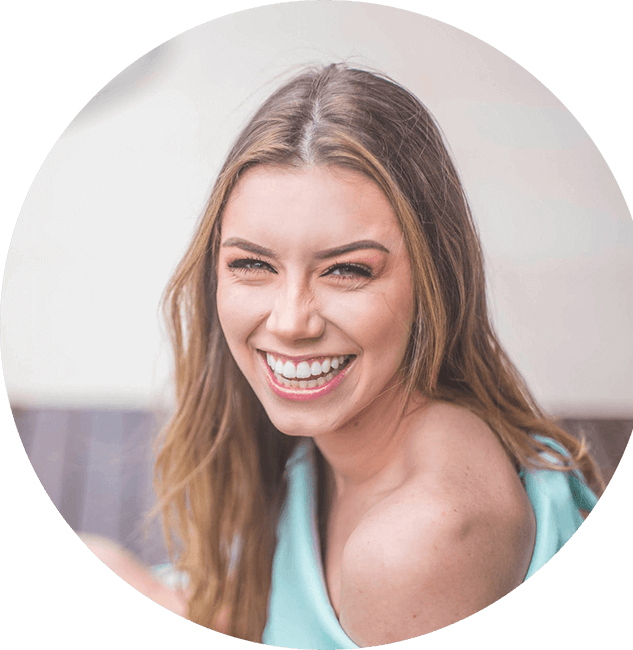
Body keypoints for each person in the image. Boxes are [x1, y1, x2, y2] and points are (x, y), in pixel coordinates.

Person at [81, 63, 603, 647]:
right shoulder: (342, 442)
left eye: (347, 270)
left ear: (434, 280)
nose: (290, 321)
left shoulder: (416, 544)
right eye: (252, 264)